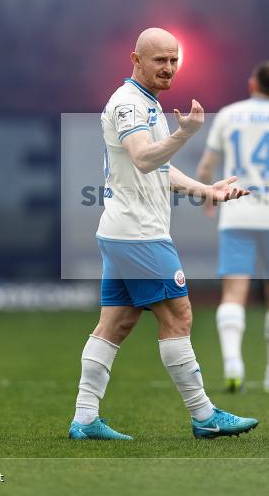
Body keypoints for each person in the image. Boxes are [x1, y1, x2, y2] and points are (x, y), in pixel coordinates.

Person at [70, 27, 258, 441]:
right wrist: (184, 133)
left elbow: (159, 168)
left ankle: (84, 418)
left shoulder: (147, 103)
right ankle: (204, 415)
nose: (169, 68)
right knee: (178, 315)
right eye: (160, 60)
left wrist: (207, 190)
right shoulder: (128, 104)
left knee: (115, 325)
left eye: (174, 60)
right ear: (135, 59)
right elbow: (142, 159)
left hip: (124, 232)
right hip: (139, 234)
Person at [196, 61, 269, 393]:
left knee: (233, 293)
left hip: (237, 215)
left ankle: (232, 362)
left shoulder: (229, 114)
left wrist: (208, 196)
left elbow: (206, 166)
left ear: (252, 83)